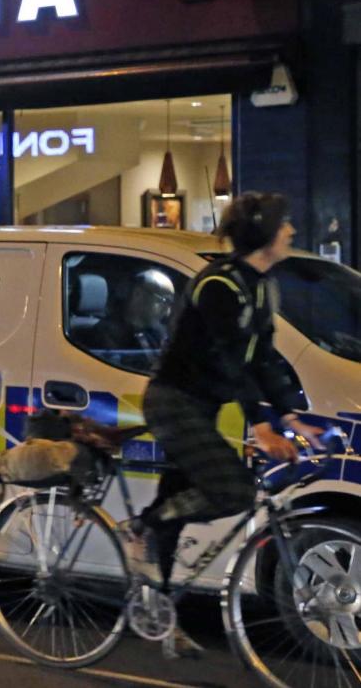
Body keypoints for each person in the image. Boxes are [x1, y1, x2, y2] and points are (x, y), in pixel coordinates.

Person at [122, 192, 321, 656]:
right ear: (263, 234)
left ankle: (158, 618)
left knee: (176, 503)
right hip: (174, 402)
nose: (291, 231)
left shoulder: (262, 285)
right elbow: (230, 358)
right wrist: (259, 425)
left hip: (203, 405)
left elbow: (264, 357)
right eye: (283, 224)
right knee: (230, 490)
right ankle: (140, 528)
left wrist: (290, 415)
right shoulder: (219, 286)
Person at [78, 268, 176, 369]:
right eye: (164, 301)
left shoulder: (157, 332)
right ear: (138, 294)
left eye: (170, 304)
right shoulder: (105, 334)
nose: (167, 311)